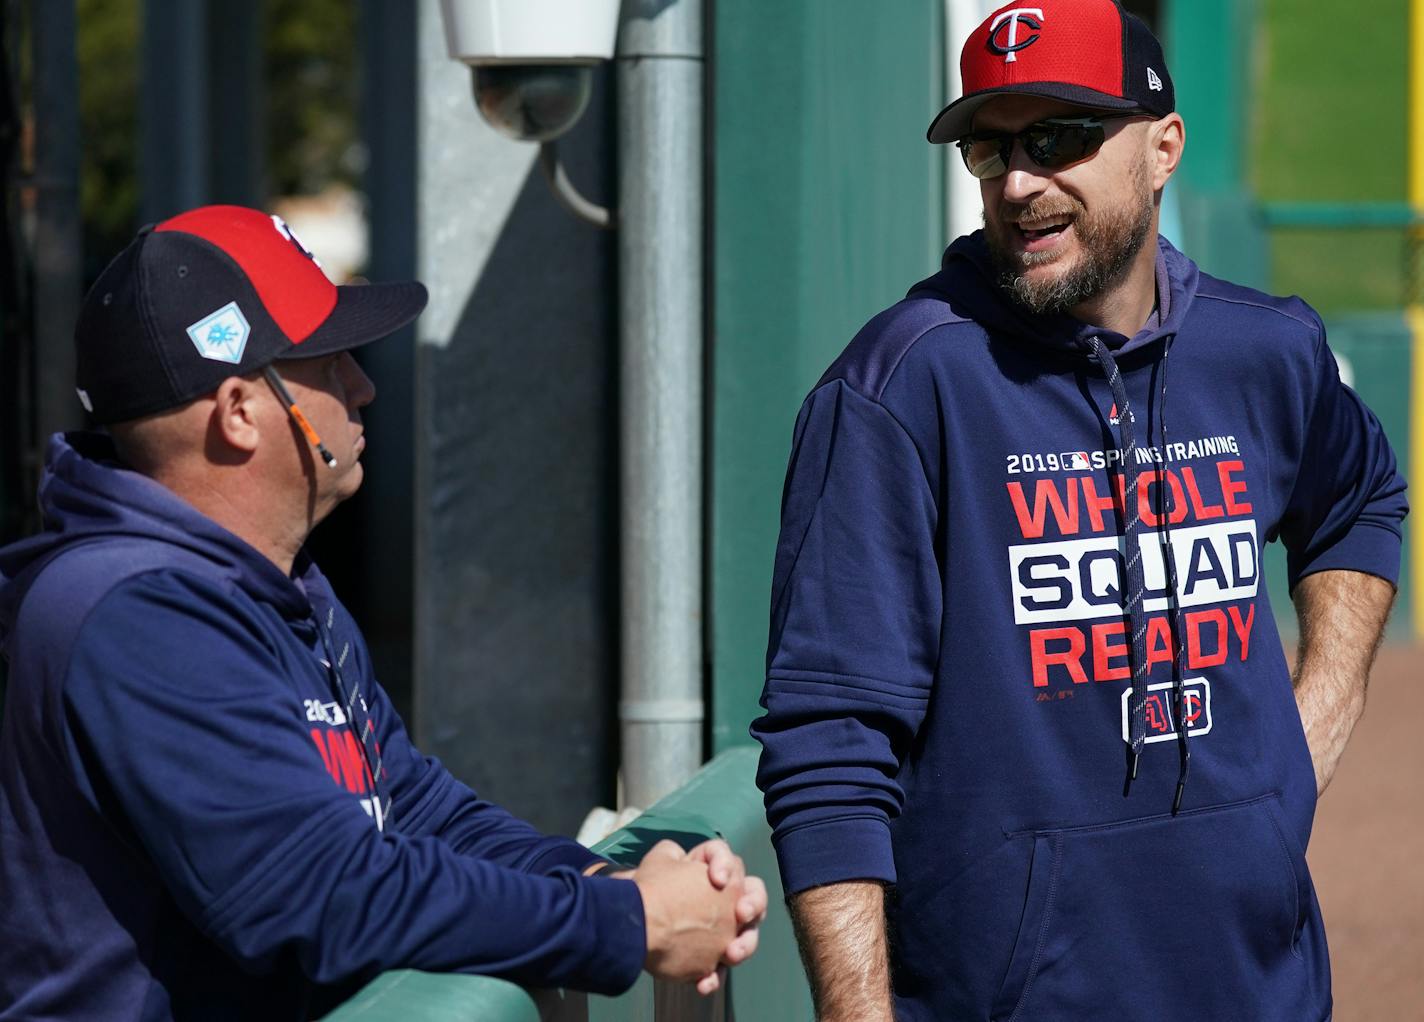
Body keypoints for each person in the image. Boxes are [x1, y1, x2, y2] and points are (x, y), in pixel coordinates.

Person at [751, 2, 1408, 1020]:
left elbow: (1357, 500)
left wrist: (1307, 723)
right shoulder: (899, 386)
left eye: (1056, 138)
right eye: (990, 147)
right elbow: (828, 740)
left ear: (1161, 148)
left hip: (1258, 989)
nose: (1017, 183)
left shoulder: (1262, 349)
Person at [0, 204, 766, 1020]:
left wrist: (593, 879)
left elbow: (410, 806)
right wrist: (627, 923)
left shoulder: (274, 579)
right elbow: (317, 892)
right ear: (239, 412)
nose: (363, 385)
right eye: (329, 362)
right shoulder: (136, 613)